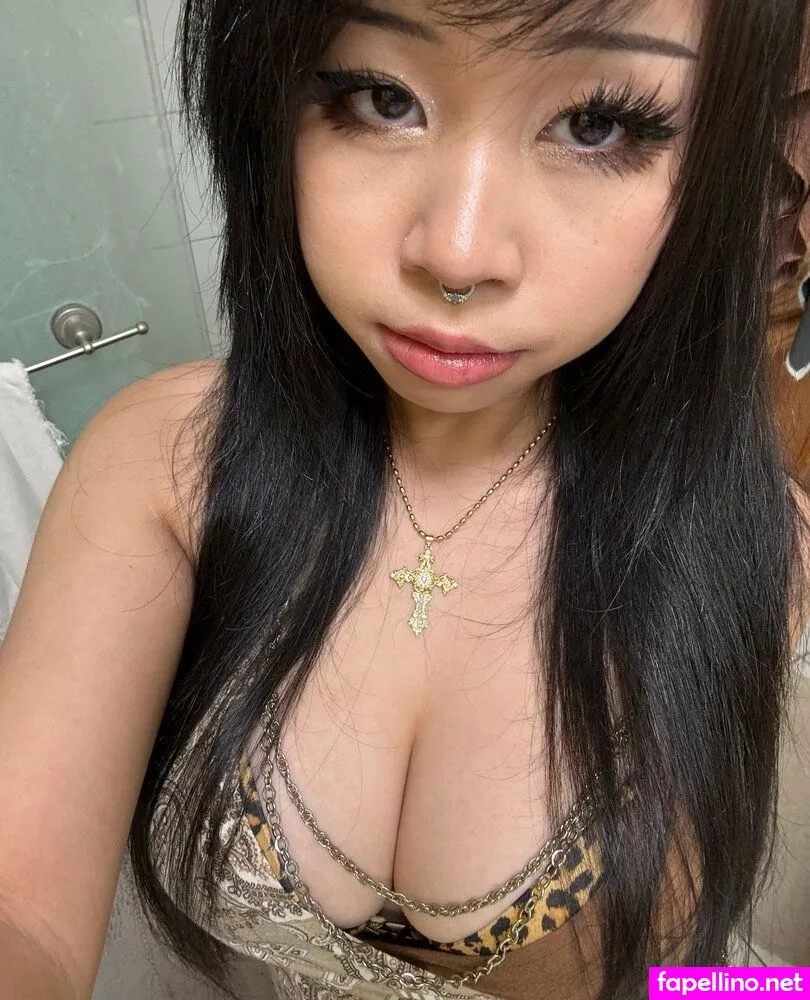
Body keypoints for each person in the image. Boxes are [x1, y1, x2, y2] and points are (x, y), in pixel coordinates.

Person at [1, 1, 809, 999]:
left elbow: (691, 981)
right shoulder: (166, 463)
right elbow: (22, 911)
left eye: (596, 123)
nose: (458, 254)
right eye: (383, 99)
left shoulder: (757, 546)